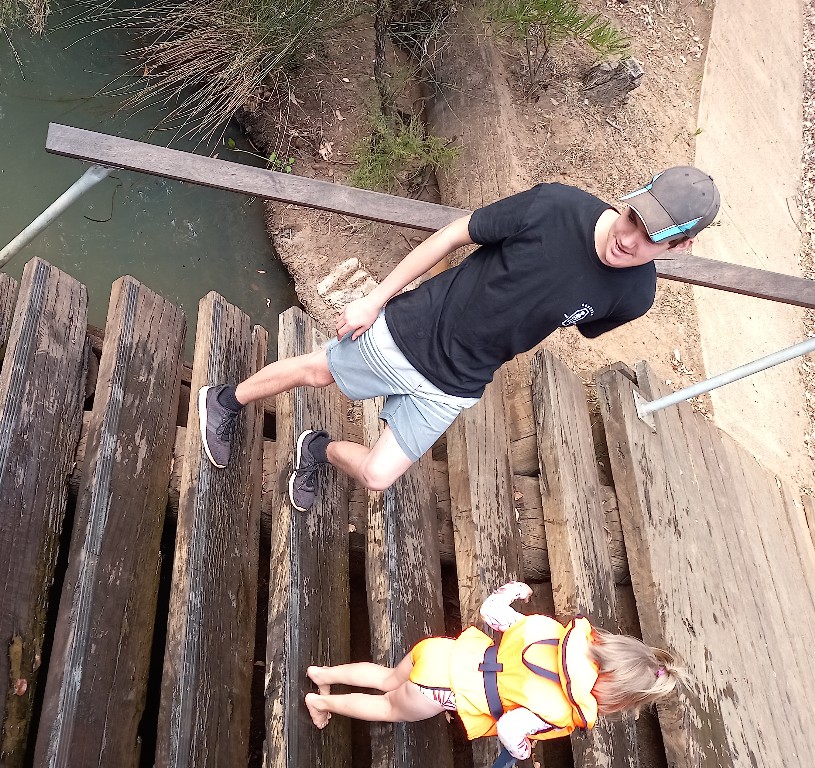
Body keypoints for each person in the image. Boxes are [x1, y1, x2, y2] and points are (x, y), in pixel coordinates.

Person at [198, 167, 721, 512]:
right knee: (318, 370)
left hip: (459, 383)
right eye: (633, 218)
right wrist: (375, 298)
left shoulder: (635, 297)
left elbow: (575, 320)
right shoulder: (554, 206)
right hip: (413, 333)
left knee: (378, 475)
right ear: (631, 201)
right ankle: (225, 400)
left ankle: (316, 449)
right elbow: (454, 234)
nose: (628, 239)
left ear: (682, 246)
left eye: (651, 238)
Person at [303, 582, 680, 768]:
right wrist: (522, 750)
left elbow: (492, 610)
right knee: (387, 707)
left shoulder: (550, 633)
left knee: (387, 678)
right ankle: (321, 702)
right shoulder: (557, 710)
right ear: (617, 698)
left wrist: (513, 591)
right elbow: (510, 728)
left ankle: (323, 674)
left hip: (440, 650)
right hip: (437, 690)